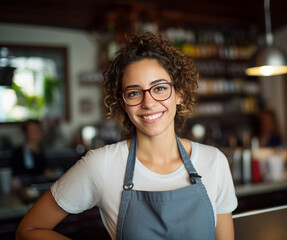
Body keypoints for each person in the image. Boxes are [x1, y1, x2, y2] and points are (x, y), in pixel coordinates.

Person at [16, 32, 238, 240]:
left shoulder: (214, 161)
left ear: (179, 94)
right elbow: (29, 230)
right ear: (123, 103)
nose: (148, 103)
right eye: (134, 93)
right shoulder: (101, 165)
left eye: (159, 88)